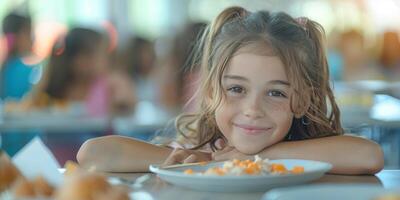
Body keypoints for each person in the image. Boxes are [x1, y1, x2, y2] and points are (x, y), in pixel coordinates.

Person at [77, 7, 383, 175]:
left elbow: (368, 155)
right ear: (210, 93)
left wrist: (253, 158)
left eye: (275, 93)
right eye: (236, 88)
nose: (252, 109)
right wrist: (210, 158)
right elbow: (92, 153)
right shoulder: (204, 151)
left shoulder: (311, 152)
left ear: (301, 100)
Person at [25, 27, 136, 116]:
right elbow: (30, 106)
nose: (106, 59)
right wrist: (49, 71)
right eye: (102, 54)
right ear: (80, 60)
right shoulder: (58, 84)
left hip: (98, 143)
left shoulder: (108, 84)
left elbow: (127, 107)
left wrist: (122, 94)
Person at [0, 12, 40, 100]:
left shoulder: (4, 69)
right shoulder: (33, 72)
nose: (33, 39)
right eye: (29, 33)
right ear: (18, 37)